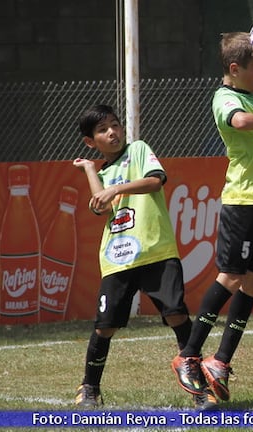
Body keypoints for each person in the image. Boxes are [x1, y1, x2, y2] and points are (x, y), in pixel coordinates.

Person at [172, 32, 253, 406]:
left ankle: (220, 362)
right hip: (242, 200)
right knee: (231, 277)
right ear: (234, 68)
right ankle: (188, 354)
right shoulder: (226, 97)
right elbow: (240, 122)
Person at [72, 104, 215, 410]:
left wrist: (116, 189)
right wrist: (89, 171)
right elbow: (101, 207)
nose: (112, 132)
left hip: (156, 250)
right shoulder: (104, 172)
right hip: (117, 258)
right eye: (102, 130)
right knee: (104, 326)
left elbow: (155, 181)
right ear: (90, 141)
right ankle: (89, 388)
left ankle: (200, 388)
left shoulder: (138, 149)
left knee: (176, 314)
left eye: (115, 125)